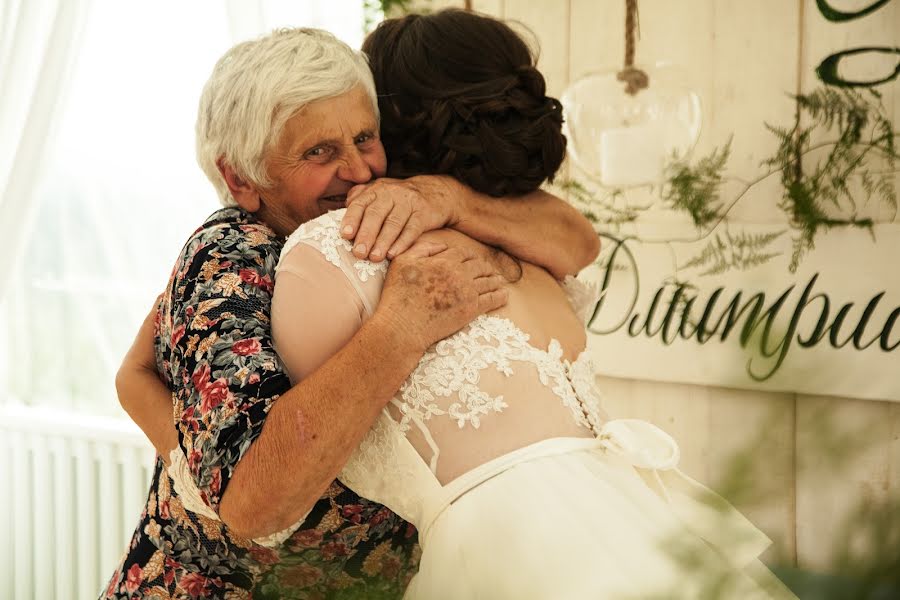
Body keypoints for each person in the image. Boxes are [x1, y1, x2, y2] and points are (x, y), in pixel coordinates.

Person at [266, 10, 800, 599]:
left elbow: (284, 477)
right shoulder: (535, 252)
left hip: (519, 539)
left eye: (365, 127)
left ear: (389, 117)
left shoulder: (346, 245)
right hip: (625, 517)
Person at [103, 25, 599, 599]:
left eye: (365, 137)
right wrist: (401, 328)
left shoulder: (389, 207)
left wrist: (450, 197)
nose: (360, 170)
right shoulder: (229, 254)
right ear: (240, 178)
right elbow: (253, 501)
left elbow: (576, 239)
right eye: (319, 152)